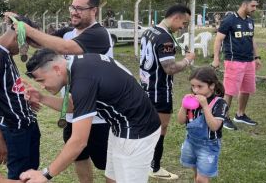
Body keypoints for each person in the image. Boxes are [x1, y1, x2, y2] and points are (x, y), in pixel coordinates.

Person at [20, 49, 161, 183]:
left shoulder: (82, 81)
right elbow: (74, 105)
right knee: (113, 177)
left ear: (56, 69)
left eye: (42, 81)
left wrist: (45, 174)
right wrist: (42, 98)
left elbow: (78, 142)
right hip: (120, 125)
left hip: (137, 132)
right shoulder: (77, 65)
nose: (43, 86)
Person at [15, 0, 112, 183]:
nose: (74, 12)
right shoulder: (68, 32)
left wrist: (26, 27)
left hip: (99, 116)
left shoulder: (99, 34)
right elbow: (40, 42)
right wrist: (19, 24)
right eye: (72, 7)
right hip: (71, 109)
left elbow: (65, 48)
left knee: (109, 166)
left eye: (80, 8)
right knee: (79, 157)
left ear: (94, 10)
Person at [0, 15, 41, 179]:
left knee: (31, 171)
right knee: (18, 174)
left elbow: (9, 86)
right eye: (25, 43)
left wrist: (25, 100)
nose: (24, 49)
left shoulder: (5, 53)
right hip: (14, 129)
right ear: (17, 36)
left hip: (27, 122)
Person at [139, 4, 196, 180]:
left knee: (147, 126)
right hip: (159, 90)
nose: (183, 27)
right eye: (183, 23)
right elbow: (170, 68)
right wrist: (187, 60)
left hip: (146, 87)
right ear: (175, 17)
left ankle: (144, 162)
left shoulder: (150, 31)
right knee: (160, 129)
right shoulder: (165, 38)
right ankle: (153, 167)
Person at [212, 0, 261, 130]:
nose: (255, 8)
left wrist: (256, 57)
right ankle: (224, 117)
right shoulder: (230, 20)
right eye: (253, 5)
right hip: (234, 61)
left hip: (249, 61)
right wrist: (216, 58)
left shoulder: (250, 21)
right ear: (244, 5)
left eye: (256, 6)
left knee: (246, 89)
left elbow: (252, 39)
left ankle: (240, 115)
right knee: (230, 91)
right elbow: (218, 39)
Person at [177, 67, 228, 182]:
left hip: (208, 145)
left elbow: (214, 127)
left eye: (200, 86)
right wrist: (183, 106)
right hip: (190, 141)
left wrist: (205, 107)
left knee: (202, 178)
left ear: (212, 86)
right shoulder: (192, 101)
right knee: (196, 172)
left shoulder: (219, 103)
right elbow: (180, 121)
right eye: (193, 86)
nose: (195, 90)